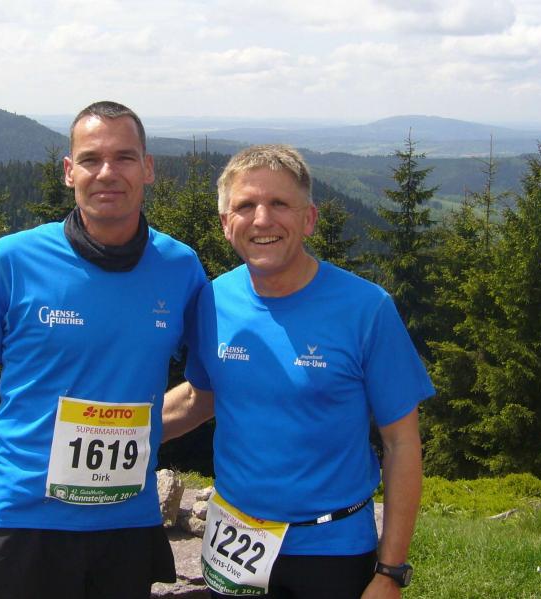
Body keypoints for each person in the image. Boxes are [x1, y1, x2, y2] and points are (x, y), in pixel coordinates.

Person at [0, 101, 207, 599]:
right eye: (91, 159)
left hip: (127, 521)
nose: (107, 172)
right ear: (70, 172)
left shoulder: (181, 267)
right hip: (25, 516)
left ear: (148, 168)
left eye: (124, 157)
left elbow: (209, 387)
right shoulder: (12, 259)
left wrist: (142, 429)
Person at [163, 145, 434, 599]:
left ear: (309, 219)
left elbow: (401, 443)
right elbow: (200, 397)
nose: (262, 219)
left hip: (332, 550)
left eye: (279, 204)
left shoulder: (367, 309)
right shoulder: (211, 300)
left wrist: (390, 572)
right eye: (245, 206)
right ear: (226, 223)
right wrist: (116, 430)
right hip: (233, 542)